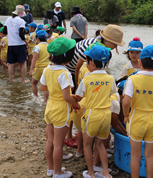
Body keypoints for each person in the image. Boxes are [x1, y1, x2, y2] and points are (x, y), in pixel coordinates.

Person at [122, 45, 153, 178]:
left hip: (137, 118)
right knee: (150, 155)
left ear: (140, 62)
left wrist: (126, 116)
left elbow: (125, 102)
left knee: (135, 155)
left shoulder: (133, 79)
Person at [73, 44, 116, 178]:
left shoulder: (87, 79)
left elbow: (79, 97)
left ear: (90, 62)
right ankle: (105, 172)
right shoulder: (110, 78)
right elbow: (112, 92)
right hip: (106, 115)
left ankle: (91, 173)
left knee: (87, 145)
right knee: (100, 145)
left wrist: (69, 97)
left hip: (92, 115)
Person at [40, 38, 79, 178]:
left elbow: (42, 87)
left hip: (50, 107)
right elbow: (67, 97)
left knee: (50, 141)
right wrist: (76, 103)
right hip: (61, 110)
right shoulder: (64, 73)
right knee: (58, 144)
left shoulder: (47, 69)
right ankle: (57, 173)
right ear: (68, 56)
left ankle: (51, 169)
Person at [5, 7, 28, 83]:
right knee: (23, 62)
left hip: (11, 44)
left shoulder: (8, 20)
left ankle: (11, 79)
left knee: (11, 63)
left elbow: (5, 31)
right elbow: (21, 34)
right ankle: (23, 79)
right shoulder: (21, 21)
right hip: (19, 44)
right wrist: (26, 41)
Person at [30, 30, 50, 102]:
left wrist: (31, 69)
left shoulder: (37, 47)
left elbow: (34, 59)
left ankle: (36, 98)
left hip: (39, 67)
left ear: (37, 38)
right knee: (46, 85)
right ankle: (45, 101)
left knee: (34, 83)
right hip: (48, 68)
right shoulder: (49, 46)